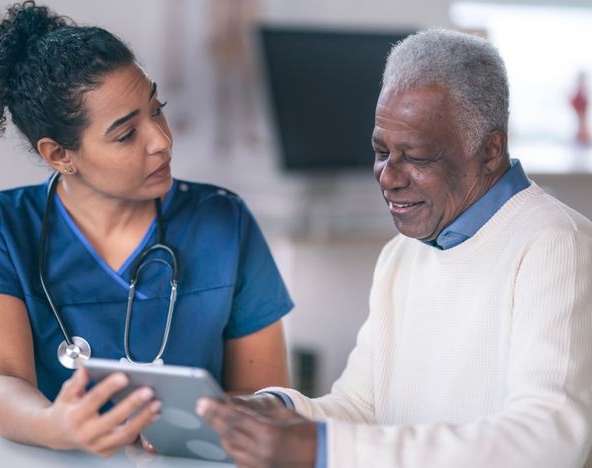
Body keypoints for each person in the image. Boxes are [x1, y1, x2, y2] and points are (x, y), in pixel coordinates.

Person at [197, 28, 592, 468]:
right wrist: (276, 410)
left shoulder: (558, 246)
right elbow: (362, 408)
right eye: (380, 150)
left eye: (416, 156)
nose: (388, 176)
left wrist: (326, 450)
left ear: (490, 151)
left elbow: (548, 441)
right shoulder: (403, 255)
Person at [0, 1, 292, 457]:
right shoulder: (0, 225)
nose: (162, 141)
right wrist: (53, 425)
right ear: (59, 155)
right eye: (125, 134)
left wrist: (190, 424)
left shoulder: (224, 221)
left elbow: (268, 396)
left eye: (157, 110)